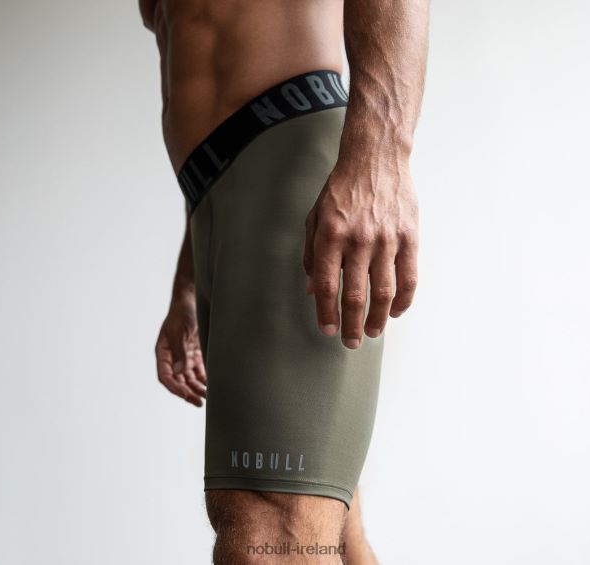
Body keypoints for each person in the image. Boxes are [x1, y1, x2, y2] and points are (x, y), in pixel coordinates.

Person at [140, 1, 428, 562]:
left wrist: (381, 157)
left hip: (295, 151)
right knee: (329, 531)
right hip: (213, 198)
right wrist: (189, 279)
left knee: (270, 531)